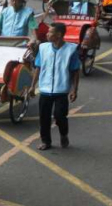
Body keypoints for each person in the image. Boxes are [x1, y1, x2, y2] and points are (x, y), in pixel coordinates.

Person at [29, 22, 80, 150]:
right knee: (44, 118)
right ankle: (46, 141)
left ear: (58, 34)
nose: (47, 34)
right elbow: (38, 68)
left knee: (60, 116)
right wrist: (32, 86)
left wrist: (74, 90)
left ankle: (64, 134)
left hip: (61, 90)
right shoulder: (44, 48)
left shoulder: (71, 50)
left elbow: (75, 71)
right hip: (45, 89)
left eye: (50, 32)